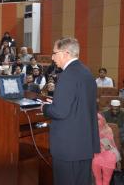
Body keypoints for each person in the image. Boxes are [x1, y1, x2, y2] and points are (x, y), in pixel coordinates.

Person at [41, 37, 100, 185]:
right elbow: (80, 105)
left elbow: (60, 112)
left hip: (68, 148)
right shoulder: (86, 72)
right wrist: (57, 102)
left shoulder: (67, 75)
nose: (53, 57)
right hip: (84, 145)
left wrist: (45, 108)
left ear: (65, 53)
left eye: (55, 53)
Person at [92, 113, 120, 185]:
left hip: (104, 158)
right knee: (101, 180)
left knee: (103, 180)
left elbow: (108, 147)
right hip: (99, 158)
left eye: (98, 120)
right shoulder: (106, 130)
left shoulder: (105, 131)